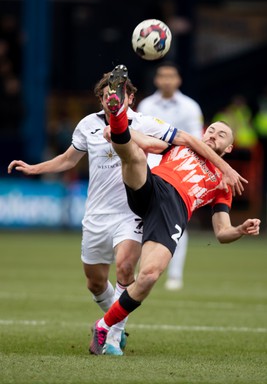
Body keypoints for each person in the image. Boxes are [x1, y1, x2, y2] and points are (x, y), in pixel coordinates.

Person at [7, 68, 195, 356]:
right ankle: (117, 323)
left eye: (118, 94)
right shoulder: (87, 125)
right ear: (100, 99)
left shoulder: (143, 122)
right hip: (96, 214)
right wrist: (34, 168)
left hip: (131, 210)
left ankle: (109, 333)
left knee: (124, 268)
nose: (112, 99)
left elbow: (173, 142)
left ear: (130, 98)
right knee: (95, 282)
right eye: (107, 95)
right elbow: (69, 159)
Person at [89, 64, 260, 355]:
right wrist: (122, 134)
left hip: (174, 212)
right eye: (212, 130)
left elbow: (221, 233)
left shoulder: (222, 184)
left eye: (221, 135)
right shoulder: (179, 147)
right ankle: (118, 117)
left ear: (229, 149)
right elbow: (144, 142)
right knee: (136, 158)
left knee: (150, 276)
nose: (212, 135)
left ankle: (104, 326)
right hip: (153, 187)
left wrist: (240, 230)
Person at [137, 61, 204, 290]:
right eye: (162, 76)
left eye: (171, 76)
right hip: (149, 168)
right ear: (156, 80)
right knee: (141, 221)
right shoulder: (146, 104)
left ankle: (175, 275)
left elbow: (196, 141)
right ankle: (143, 270)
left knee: (176, 222)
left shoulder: (190, 107)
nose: (166, 80)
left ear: (178, 80)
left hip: (178, 172)